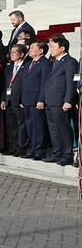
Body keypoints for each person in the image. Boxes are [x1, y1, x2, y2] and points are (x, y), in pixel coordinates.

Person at [42, 34, 79, 166]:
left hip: (61, 102)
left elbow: (70, 83)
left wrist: (68, 100)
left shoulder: (69, 62)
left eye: (53, 46)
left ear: (62, 48)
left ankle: (67, 154)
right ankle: (57, 152)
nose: (51, 49)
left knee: (63, 128)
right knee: (54, 129)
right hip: (50, 101)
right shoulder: (55, 62)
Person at [21, 41, 51, 160]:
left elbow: (44, 83)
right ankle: (32, 148)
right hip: (27, 100)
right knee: (30, 125)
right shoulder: (28, 63)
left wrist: (41, 100)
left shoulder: (45, 64)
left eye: (33, 48)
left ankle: (40, 150)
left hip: (37, 100)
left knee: (38, 126)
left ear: (41, 51)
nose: (30, 49)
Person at [1, 44, 28, 157]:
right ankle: (13, 146)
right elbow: (6, 85)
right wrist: (3, 99)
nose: (11, 54)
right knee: (11, 124)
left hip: (19, 100)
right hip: (8, 100)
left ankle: (22, 147)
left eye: (14, 52)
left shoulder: (26, 66)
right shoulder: (8, 68)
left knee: (21, 124)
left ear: (21, 54)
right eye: (10, 52)